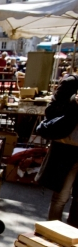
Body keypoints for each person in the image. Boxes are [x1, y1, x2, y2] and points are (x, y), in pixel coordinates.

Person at [35, 74, 78, 227]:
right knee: (61, 197)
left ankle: (72, 241)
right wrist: (74, 105)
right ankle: (53, 234)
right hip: (67, 149)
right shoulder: (71, 83)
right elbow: (51, 112)